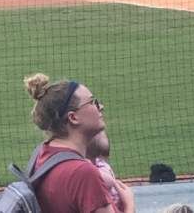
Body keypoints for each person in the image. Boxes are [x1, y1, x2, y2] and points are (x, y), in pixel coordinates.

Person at [24, 72, 130, 213]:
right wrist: (129, 204)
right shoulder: (83, 173)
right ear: (73, 117)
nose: (101, 106)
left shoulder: (41, 154)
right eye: (92, 102)